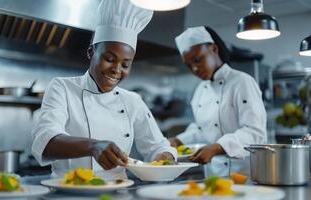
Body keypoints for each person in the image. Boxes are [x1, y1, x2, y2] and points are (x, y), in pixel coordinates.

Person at [31, 0, 176, 180]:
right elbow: (46, 139)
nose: (116, 69)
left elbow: (157, 146)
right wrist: (93, 146)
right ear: (91, 53)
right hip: (69, 190)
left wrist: (165, 157)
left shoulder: (132, 100)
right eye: (109, 58)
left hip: (118, 190)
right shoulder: (63, 87)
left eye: (125, 64)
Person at [169, 26, 266, 174]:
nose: (194, 69)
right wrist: (178, 140)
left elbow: (255, 132)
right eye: (189, 65)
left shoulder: (242, 82)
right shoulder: (200, 90)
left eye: (197, 60)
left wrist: (217, 147)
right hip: (214, 174)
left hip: (246, 173)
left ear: (214, 49)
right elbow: (203, 129)